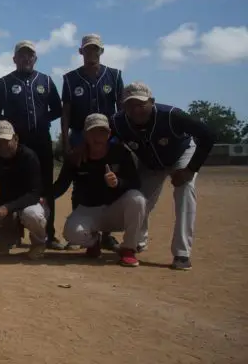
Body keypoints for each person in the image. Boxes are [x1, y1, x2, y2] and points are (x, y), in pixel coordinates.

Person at [110, 82, 215, 270]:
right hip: (150, 164)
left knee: (185, 191)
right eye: (129, 105)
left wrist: (190, 169)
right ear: (122, 106)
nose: (135, 110)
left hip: (180, 155)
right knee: (139, 199)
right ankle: (136, 242)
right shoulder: (118, 122)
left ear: (152, 101)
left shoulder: (171, 115)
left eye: (140, 104)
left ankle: (182, 253)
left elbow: (207, 135)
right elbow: (103, 138)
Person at [0, 40, 64, 250]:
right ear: (14, 59)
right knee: (14, 186)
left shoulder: (46, 81)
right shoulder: (4, 83)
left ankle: (48, 234)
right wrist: (13, 125)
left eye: (30, 55)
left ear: (35, 58)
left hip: (41, 141)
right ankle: (14, 232)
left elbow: (57, 110)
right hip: (16, 145)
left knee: (45, 187)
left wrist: (41, 119)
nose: (26, 58)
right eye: (22, 55)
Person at [60, 34, 125, 251]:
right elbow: (66, 112)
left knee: (108, 181)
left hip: (107, 135)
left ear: (101, 51)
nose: (91, 53)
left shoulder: (114, 76)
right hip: (79, 134)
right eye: (87, 50)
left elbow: (121, 108)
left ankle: (106, 234)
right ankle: (81, 230)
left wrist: (121, 137)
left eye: (95, 49)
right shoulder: (70, 78)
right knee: (80, 181)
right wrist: (66, 142)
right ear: (81, 52)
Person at [55, 113, 146, 267]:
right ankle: (93, 242)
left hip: (115, 210)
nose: (97, 136)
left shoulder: (121, 152)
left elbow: (135, 183)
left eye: (102, 131)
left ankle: (128, 249)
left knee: (137, 199)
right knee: (72, 234)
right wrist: (41, 197)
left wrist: (117, 183)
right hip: (87, 210)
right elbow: (60, 186)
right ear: (85, 134)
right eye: (92, 131)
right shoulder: (75, 156)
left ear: (109, 134)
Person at [0, 121, 49, 259]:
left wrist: (8, 208)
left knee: (33, 215)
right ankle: (4, 239)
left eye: (6, 141)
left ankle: (39, 243)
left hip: (29, 203)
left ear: (15, 138)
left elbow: (34, 193)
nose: (2, 146)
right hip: (5, 204)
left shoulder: (28, 156)